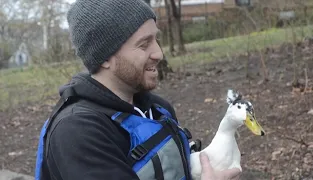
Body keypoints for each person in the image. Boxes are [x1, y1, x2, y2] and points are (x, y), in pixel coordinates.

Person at [36, 0, 241, 179]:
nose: (159, 53)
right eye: (144, 45)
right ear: (105, 58)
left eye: (156, 39)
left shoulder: (158, 109)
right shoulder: (77, 133)